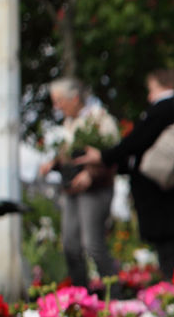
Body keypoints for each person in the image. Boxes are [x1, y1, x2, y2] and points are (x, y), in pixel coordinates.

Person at [77, 69, 174, 278]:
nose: (149, 96)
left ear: (163, 85)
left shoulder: (165, 109)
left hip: (163, 196)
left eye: (151, 89)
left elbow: (136, 142)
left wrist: (104, 157)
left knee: (170, 257)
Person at [38, 78, 119, 287]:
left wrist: (91, 174)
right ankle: (81, 296)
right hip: (72, 191)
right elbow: (70, 156)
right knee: (71, 247)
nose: (57, 107)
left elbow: (112, 155)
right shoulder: (69, 124)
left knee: (93, 245)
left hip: (95, 190)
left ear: (74, 98)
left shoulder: (101, 120)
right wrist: (54, 163)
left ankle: (115, 294)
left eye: (59, 101)